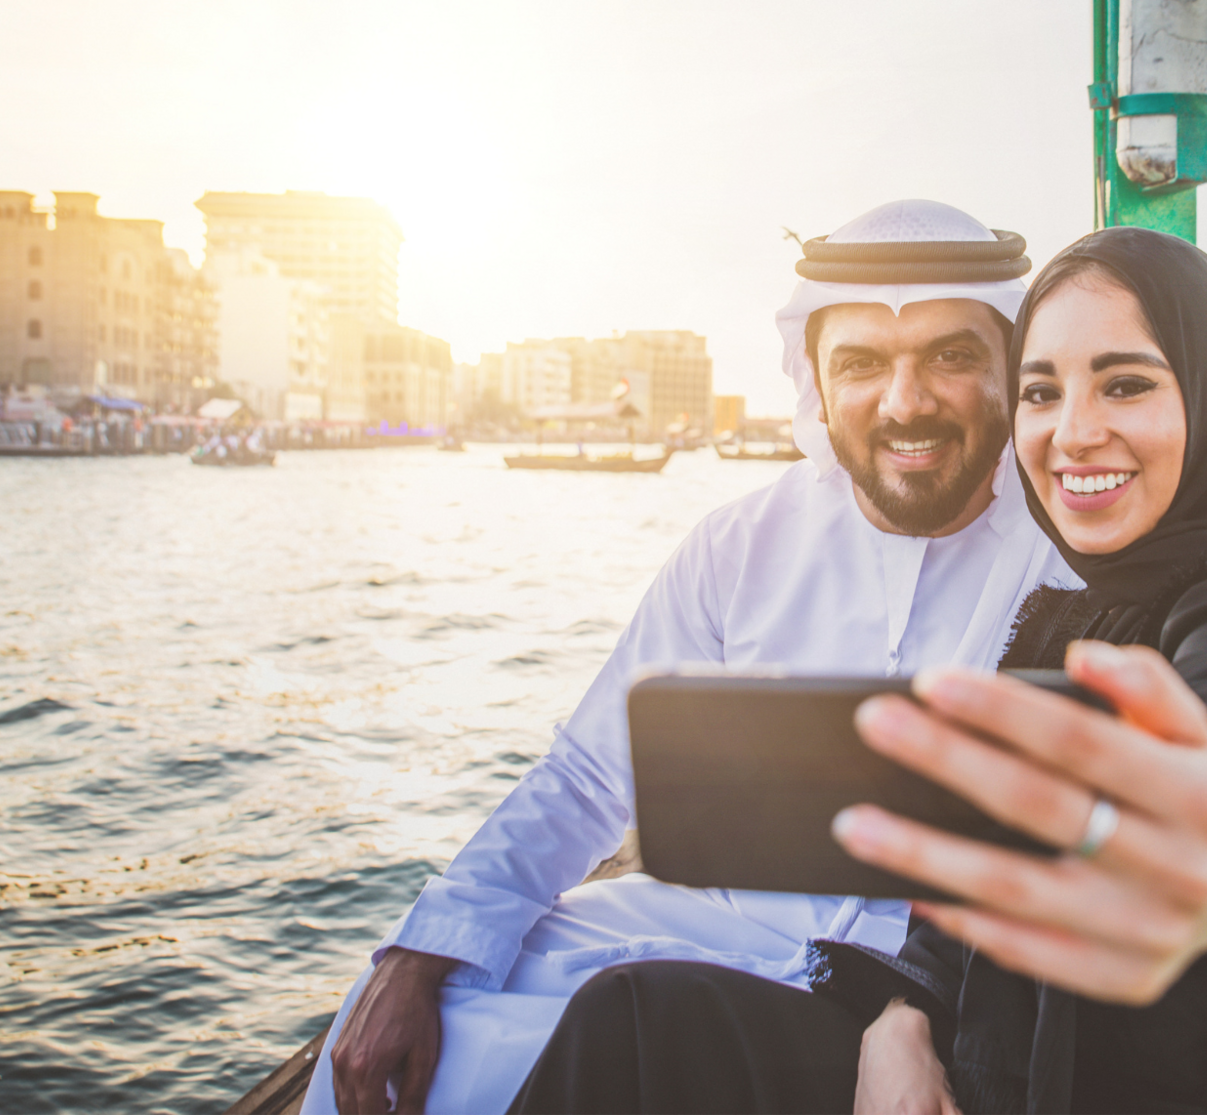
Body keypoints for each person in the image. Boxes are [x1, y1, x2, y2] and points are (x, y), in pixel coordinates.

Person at [508, 228, 1207, 1114]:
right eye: (1043, 391)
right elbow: (971, 881)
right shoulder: (1071, 608)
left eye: (1125, 384)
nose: (1073, 432)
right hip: (990, 1047)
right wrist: (905, 1015)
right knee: (638, 1012)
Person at [305, 200, 1079, 1115]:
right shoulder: (740, 545)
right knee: (421, 1022)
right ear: (818, 391)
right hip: (712, 929)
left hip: (932, 986)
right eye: (862, 364)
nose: (905, 401)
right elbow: (593, 773)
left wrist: (907, 1008)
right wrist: (421, 945)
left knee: (633, 1028)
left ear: (1009, 374)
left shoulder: (1068, 558)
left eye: (951, 356)